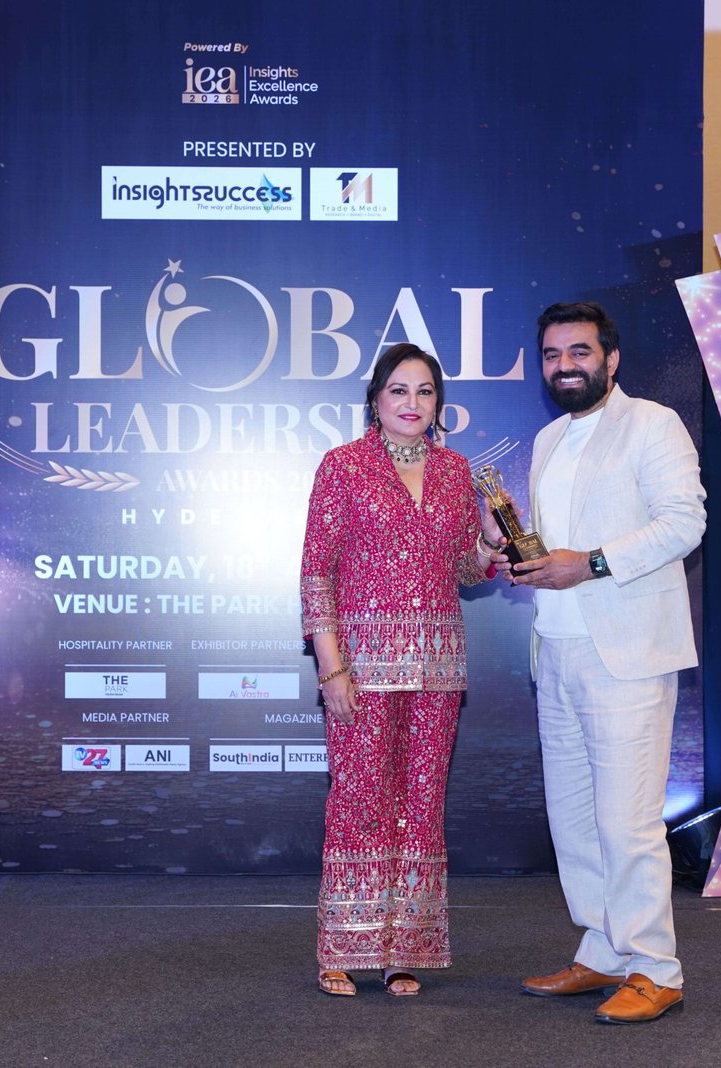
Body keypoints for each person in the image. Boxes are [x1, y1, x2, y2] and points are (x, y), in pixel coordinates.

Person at [491, 301, 705, 1024]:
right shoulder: (549, 438)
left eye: (579, 352)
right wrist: (517, 555)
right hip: (555, 650)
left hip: (628, 654)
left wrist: (591, 564)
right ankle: (605, 950)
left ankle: (656, 968)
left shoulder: (653, 424)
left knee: (627, 821)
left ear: (610, 359)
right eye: (552, 355)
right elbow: (553, 542)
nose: (565, 366)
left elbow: (685, 521)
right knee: (576, 820)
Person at [299, 343, 505, 998]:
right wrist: (332, 670)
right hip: (361, 666)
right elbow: (317, 572)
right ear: (375, 400)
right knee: (359, 800)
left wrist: (490, 540)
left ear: (438, 403)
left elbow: (465, 571)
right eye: (398, 390)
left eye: (424, 391)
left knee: (421, 804)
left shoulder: (455, 471)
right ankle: (344, 945)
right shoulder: (344, 466)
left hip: (437, 668)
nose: (412, 403)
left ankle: (403, 949)